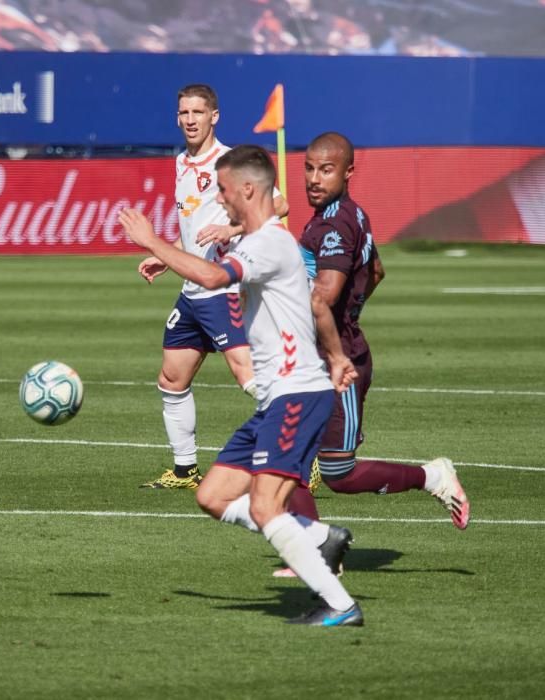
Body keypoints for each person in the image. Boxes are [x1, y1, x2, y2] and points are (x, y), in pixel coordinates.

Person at [121, 144, 364, 627]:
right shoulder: (258, 240)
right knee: (211, 496)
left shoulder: (267, 244)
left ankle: (340, 604)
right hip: (278, 398)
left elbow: (212, 276)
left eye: (225, 191)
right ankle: (318, 537)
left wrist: (153, 242)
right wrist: (336, 357)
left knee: (263, 505)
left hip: (296, 394)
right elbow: (316, 305)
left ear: (247, 190)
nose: (220, 199)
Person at [283, 132, 469, 537]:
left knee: (339, 474)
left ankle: (431, 476)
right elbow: (378, 271)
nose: (314, 178)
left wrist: (331, 323)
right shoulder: (346, 214)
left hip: (337, 363)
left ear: (349, 171)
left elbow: (323, 295)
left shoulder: (335, 224)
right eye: (309, 168)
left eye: (326, 170)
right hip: (314, 358)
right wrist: (350, 311)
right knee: (287, 456)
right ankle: (313, 549)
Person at [137, 83, 288, 489]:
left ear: (214, 117)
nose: (189, 120)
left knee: (250, 379)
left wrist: (234, 226)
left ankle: (299, 452)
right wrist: (168, 256)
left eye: (197, 113)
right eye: (183, 113)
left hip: (223, 291)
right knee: (171, 378)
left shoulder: (231, 161)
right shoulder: (181, 163)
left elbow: (282, 204)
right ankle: (185, 470)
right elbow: (192, 230)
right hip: (192, 292)